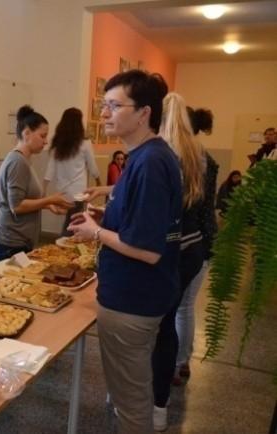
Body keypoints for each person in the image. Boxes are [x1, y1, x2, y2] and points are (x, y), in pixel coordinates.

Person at [68, 70, 181, 434]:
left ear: (144, 113)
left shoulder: (149, 162)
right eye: (104, 105)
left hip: (132, 302)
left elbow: (147, 250)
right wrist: (105, 217)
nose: (105, 114)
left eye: (115, 106)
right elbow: (139, 222)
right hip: (135, 297)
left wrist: (96, 231)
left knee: (130, 402)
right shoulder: (145, 157)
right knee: (130, 394)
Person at [151, 93, 214, 431]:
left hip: (169, 250)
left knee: (158, 326)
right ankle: (174, 374)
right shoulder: (198, 154)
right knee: (177, 315)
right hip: (193, 246)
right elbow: (204, 206)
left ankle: (152, 402)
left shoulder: (160, 153)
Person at [173, 106, 219, 386]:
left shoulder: (189, 159)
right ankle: (182, 361)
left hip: (194, 242)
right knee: (185, 306)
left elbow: (187, 205)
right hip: (204, 239)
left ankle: (178, 362)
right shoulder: (205, 157)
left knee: (181, 307)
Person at [0, 105, 72, 261]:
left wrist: (48, 206)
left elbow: (24, 198)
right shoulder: (17, 162)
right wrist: (50, 199)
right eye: (42, 136)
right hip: (10, 241)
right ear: (26, 133)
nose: (46, 141)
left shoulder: (25, 160)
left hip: (18, 239)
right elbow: (17, 206)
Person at [44, 107, 101, 236]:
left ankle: (63, 244)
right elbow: (92, 167)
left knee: (70, 220)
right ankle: (64, 246)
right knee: (74, 223)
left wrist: (44, 190)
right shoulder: (85, 143)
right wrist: (99, 182)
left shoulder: (57, 143)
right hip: (78, 192)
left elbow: (50, 169)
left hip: (62, 192)